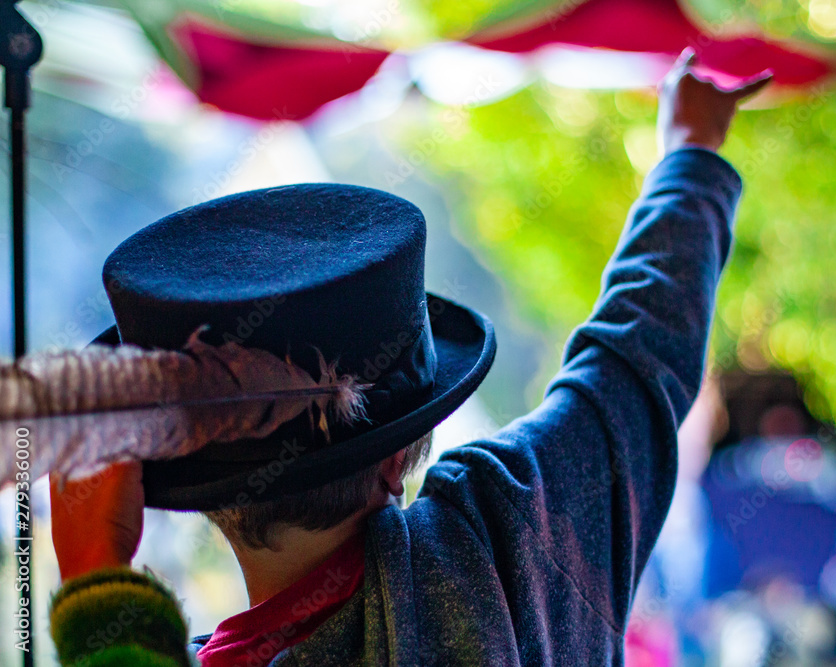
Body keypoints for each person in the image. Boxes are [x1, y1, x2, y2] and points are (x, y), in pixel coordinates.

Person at [47, 49, 770, 666]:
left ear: (162, 478)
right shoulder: (517, 531)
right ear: (401, 456)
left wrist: (95, 574)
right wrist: (689, 154)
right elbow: (637, 348)